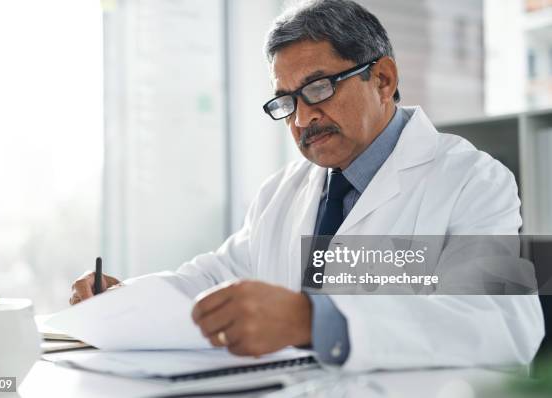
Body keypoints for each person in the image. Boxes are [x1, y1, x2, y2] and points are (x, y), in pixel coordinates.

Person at [70, 0, 544, 371]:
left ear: (383, 78)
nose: (302, 117)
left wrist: (314, 321)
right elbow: (214, 279)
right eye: (286, 101)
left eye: (319, 89)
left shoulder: (472, 180)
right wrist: (123, 298)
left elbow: (505, 326)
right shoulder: (282, 191)